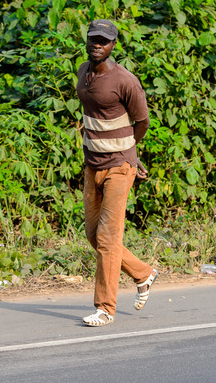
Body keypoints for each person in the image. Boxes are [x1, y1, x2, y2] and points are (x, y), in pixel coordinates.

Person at [76, 19, 157, 327]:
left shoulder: (125, 81)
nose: (98, 43)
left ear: (113, 46)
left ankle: (105, 308)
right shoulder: (82, 72)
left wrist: (130, 156)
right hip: (92, 165)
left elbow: (142, 121)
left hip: (119, 168)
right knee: (93, 235)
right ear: (87, 41)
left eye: (104, 40)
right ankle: (143, 273)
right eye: (93, 38)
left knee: (108, 239)